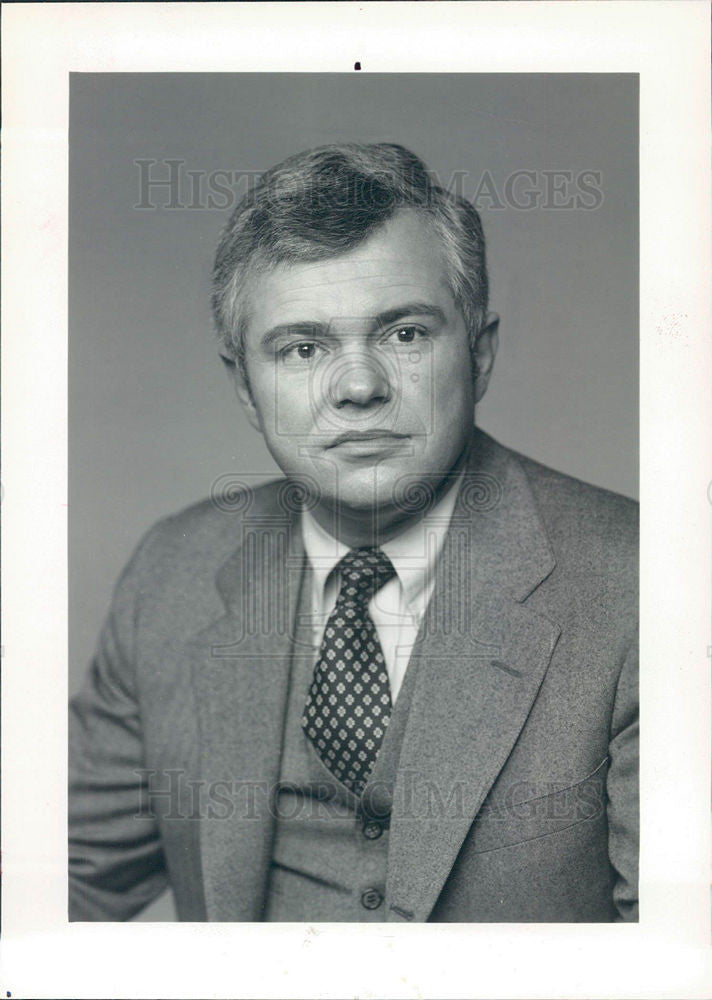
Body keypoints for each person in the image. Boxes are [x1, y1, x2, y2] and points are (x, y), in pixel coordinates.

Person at [69, 142, 638, 922]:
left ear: (480, 352)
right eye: (303, 348)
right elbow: (54, 883)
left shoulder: (646, 583)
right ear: (245, 387)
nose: (359, 387)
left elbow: (676, 952)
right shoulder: (172, 571)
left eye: (404, 334)